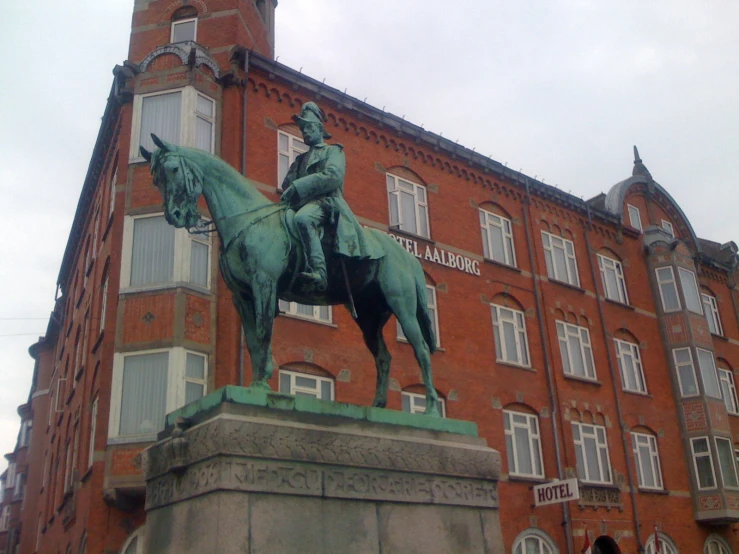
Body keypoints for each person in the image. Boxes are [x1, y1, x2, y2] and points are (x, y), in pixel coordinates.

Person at [281, 102, 382, 291]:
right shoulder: (300, 160)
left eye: (309, 127)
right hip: (300, 204)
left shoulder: (333, 151)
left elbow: (332, 177)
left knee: (303, 219)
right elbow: (287, 185)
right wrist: (290, 188)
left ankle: (320, 272)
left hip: (326, 204)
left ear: (320, 129)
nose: (305, 132)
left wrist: (298, 186)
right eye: (303, 129)